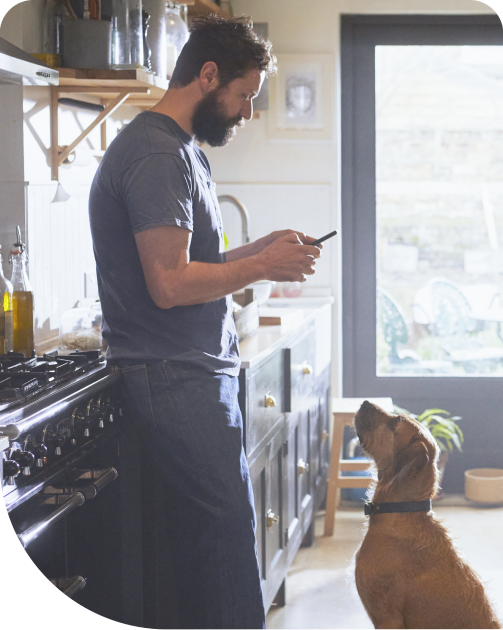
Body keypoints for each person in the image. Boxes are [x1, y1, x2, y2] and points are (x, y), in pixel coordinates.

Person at [89, 15, 321, 630]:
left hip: (190, 373)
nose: (246, 112)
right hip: (172, 375)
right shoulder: (158, 152)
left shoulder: (180, 148)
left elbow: (194, 264)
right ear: (208, 75)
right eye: (244, 95)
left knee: (211, 539)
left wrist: (259, 250)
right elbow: (169, 284)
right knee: (221, 539)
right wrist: (264, 265)